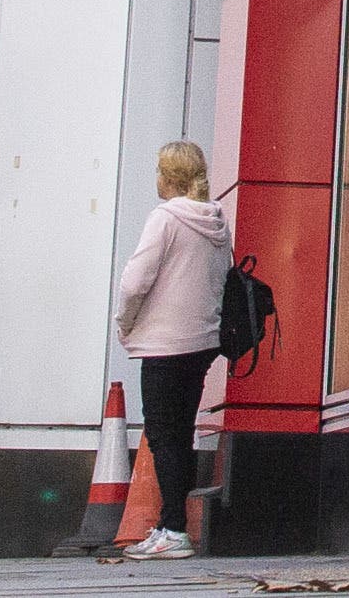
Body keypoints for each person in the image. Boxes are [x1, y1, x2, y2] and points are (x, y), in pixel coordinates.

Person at [112, 140, 231, 561]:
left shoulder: (165, 218)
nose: (156, 177)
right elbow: (223, 276)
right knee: (180, 432)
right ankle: (170, 526)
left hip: (165, 343)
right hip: (201, 342)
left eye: (159, 170)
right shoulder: (216, 220)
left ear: (170, 177)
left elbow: (134, 282)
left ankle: (173, 529)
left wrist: (125, 323)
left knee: (164, 435)